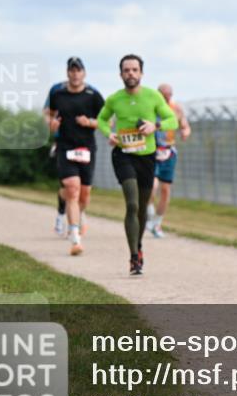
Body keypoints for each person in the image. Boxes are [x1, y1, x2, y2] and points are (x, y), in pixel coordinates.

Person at [97, 54, 177, 275]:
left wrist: (155, 126)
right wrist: (109, 134)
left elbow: (173, 120)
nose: (130, 73)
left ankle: (138, 246)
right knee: (132, 204)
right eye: (126, 70)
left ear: (141, 73)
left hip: (147, 157)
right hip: (123, 155)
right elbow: (102, 119)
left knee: (142, 209)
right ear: (120, 74)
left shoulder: (153, 96)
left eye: (134, 70)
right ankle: (133, 257)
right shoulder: (114, 99)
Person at [47, 57, 104, 255]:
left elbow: (106, 122)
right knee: (72, 189)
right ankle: (75, 237)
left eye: (78, 70)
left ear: (84, 73)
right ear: (67, 73)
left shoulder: (93, 95)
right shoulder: (58, 93)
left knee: (84, 193)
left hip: (87, 148)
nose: (75, 74)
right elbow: (49, 113)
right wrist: (51, 124)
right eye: (72, 70)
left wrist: (89, 122)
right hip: (65, 147)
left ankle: (80, 214)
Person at [146, 83, 191, 238]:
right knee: (151, 186)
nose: (166, 98)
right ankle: (149, 212)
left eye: (168, 95)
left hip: (168, 152)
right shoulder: (150, 109)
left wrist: (185, 132)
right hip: (152, 151)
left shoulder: (176, 109)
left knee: (165, 190)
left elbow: (185, 126)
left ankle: (157, 223)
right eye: (163, 95)